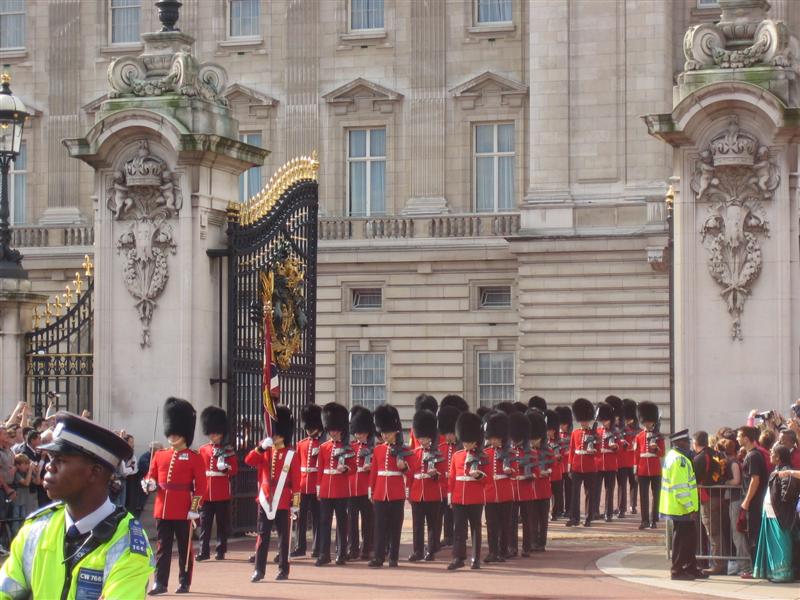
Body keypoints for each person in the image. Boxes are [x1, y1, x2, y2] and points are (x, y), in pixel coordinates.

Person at [0, 411, 154, 599]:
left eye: (61, 460)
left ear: (94, 472)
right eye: (50, 458)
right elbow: (6, 592)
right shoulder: (35, 530)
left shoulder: (127, 543)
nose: (49, 466)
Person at [142, 397, 207, 595]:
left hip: (183, 509)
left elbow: (201, 486)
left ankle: (184, 581)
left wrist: (194, 508)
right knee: (162, 548)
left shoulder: (194, 457)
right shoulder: (160, 455)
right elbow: (150, 476)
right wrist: (148, 484)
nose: (172, 436)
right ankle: (160, 583)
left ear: (184, 434)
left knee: (185, 549)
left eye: (176, 432)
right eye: (171, 432)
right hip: (162, 508)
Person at [246, 406, 301, 582]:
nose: (274, 436)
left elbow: (297, 482)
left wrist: (295, 504)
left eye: (277, 433)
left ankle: (283, 570)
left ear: (283, 433)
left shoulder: (291, 454)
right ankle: (259, 570)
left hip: (283, 500)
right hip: (265, 498)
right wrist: (261, 448)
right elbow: (249, 461)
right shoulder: (265, 451)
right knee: (262, 535)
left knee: (284, 538)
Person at [368, 404, 412, 568]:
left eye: (388, 432)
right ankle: (379, 556)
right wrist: (371, 491)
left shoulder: (404, 449)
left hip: (396, 493)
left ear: (396, 432)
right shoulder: (378, 450)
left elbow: (411, 473)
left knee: (395, 526)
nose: (385, 435)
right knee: (379, 526)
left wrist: (404, 467)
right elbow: (374, 472)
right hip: (380, 493)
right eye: (383, 433)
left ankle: (393, 557)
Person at [659, 428, 707, 581]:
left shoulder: (676, 456)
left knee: (689, 539)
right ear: (678, 443)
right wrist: (690, 507)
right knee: (682, 541)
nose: (689, 444)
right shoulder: (679, 460)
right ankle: (677, 570)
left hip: (680, 506)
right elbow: (680, 488)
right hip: (681, 507)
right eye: (686, 442)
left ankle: (690, 567)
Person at [197, 406, 238, 562]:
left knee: (221, 525)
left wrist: (226, 468)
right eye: (211, 433)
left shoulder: (228, 450)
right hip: (207, 492)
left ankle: (221, 550)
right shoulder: (203, 449)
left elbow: (234, 470)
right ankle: (204, 551)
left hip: (221, 492)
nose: (213, 436)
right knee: (205, 524)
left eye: (216, 433)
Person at [316, 402, 354, 567]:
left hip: (341, 489)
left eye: (335, 430)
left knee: (341, 522)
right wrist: (318, 488)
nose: (332, 432)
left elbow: (353, 468)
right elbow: (320, 469)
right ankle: (324, 554)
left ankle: (341, 553)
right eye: (330, 430)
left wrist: (345, 469)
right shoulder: (324, 447)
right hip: (326, 488)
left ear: (341, 429)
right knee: (324, 522)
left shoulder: (348, 447)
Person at [447, 411, 485, 571]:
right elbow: (452, 478)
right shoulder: (457, 455)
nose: (466, 445)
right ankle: (458, 557)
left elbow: (487, 480)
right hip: (458, 498)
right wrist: (450, 496)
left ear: (476, 441)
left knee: (476, 528)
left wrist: (478, 476)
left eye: (469, 442)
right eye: (465, 441)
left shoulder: (483, 456)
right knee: (459, 529)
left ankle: (475, 558)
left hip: (475, 498)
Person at [753, 444, 797, 582]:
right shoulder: (777, 469)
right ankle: (773, 572)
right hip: (770, 512)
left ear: (778, 457)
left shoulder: (786, 471)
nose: (770, 454)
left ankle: (783, 574)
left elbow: (788, 493)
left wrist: (782, 504)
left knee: (781, 542)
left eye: (772, 452)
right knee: (772, 543)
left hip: (779, 514)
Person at [408, 408, 445, 562]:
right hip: (417, 492)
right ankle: (417, 551)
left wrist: (435, 475)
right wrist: (408, 491)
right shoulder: (414, 453)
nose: (423, 440)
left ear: (430, 437)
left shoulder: (438, 453)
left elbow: (442, 475)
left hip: (432, 492)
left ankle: (430, 551)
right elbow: (410, 474)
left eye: (425, 438)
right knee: (417, 525)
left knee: (432, 525)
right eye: (420, 437)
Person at [693, 430, 727, 575]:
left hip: (707, 497)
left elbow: (695, 479)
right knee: (718, 531)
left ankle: (718, 564)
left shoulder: (700, 457)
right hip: (719, 495)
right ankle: (721, 562)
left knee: (712, 532)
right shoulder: (716, 453)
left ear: (695, 443)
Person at [292, 403, 323, 558]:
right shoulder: (301, 443)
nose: (309, 430)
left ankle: (317, 547)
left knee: (318, 518)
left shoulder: (323, 444)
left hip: (316, 486)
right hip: (302, 486)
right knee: (299, 518)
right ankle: (300, 546)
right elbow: (297, 466)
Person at [738, 425, 768, 580]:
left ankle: (756, 569)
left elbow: (754, 480)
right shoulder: (752, 455)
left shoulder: (753, 456)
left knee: (753, 535)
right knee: (752, 535)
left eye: (739, 436)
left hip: (754, 502)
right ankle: (756, 568)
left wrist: (747, 501)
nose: (737, 438)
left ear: (746, 438)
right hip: (755, 501)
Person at [483, 411, 513, 562]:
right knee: (491, 526)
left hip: (505, 493)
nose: (493, 441)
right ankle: (492, 552)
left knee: (504, 526)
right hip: (489, 494)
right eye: (492, 438)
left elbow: (516, 472)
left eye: (496, 438)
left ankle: (503, 551)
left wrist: (510, 472)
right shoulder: (485, 453)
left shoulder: (510, 453)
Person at [718, 438, 750, 576]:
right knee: (735, 533)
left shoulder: (733, 463)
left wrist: (725, 482)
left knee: (738, 534)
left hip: (736, 500)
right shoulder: (732, 462)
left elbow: (736, 481)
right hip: (733, 500)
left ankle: (745, 566)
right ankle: (742, 563)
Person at [347, 406, 374, 561]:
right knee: (352, 521)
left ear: (367, 433)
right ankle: (353, 548)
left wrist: (369, 469)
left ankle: (366, 548)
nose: (359, 435)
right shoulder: (350, 447)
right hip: (351, 489)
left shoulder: (373, 448)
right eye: (357, 432)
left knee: (367, 521)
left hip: (366, 489)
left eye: (362, 433)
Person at [566, 398, 597, 527]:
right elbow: (572, 450)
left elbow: (599, 450)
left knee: (589, 493)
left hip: (590, 467)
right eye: (582, 420)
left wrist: (593, 450)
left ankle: (588, 517)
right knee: (575, 494)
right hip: (577, 466)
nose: (584, 422)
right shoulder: (575, 433)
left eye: (585, 420)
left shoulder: (594, 433)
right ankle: (575, 518)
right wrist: (569, 466)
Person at [635, 401, 664, 530]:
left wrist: (656, 448)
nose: (647, 423)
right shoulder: (639, 436)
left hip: (655, 469)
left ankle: (654, 519)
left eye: (649, 421)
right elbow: (636, 454)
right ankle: (644, 520)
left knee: (656, 495)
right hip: (642, 469)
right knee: (643, 496)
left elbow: (662, 453)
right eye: (645, 421)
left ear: (653, 421)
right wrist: (635, 470)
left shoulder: (659, 436)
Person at [437, 404, 461, 549]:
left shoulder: (460, 449)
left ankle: (455, 536)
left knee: (455, 515)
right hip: (442, 486)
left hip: (456, 487)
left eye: (450, 433)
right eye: (446, 434)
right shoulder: (441, 448)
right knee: (441, 513)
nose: (448, 436)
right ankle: (446, 536)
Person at [529, 410, 551, 552]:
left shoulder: (547, 451)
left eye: (535, 439)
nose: (533, 441)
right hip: (531, 489)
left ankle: (541, 542)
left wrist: (546, 472)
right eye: (532, 439)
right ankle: (532, 541)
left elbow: (552, 467)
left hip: (543, 489)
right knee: (532, 518)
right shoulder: (527, 452)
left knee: (543, 519)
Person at [594, 402, 619, 522]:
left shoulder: (616, 432)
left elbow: (621, 447)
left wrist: (615, 447)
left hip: (610, 464)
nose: (604, 422)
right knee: (597, 489)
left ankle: (608, 513)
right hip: (598, 464)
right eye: (603, 420)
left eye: (606, 420)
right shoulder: (597, 431)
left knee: (610, 490)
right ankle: (595, 511)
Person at [617, 399, 638, 518]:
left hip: (633, 459)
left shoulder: (636, 429)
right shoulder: (619, 429)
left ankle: (633, 505)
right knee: (622, 485)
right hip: (622, 460)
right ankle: (622, 508)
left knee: (633, 484)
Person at [554, 405, 573, 519]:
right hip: (558, 466)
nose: (562, 426)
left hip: (568, 465)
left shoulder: (572, 434)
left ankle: (569, 509)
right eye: (560, 424)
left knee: (569, 488)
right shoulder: (556, 435)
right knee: (558, 490)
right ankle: (559, 509)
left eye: (564, 424)